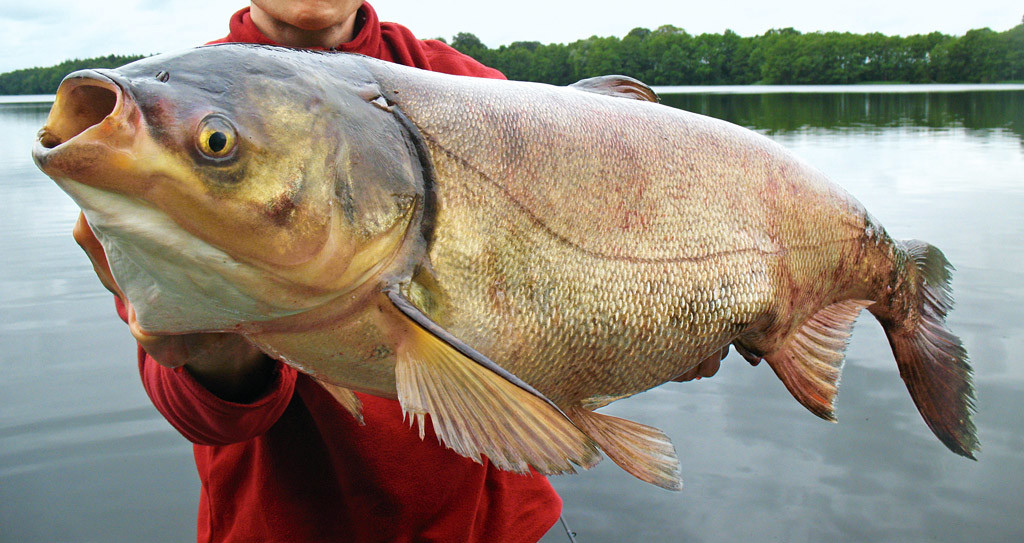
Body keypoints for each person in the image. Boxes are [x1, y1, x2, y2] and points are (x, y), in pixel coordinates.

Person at [72, 2, 557, 542]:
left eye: (218, 143)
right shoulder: (168, 108)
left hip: (488, 525)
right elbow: (210, 420)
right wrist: (216, 355)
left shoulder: (466, 84)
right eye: (218, 144)